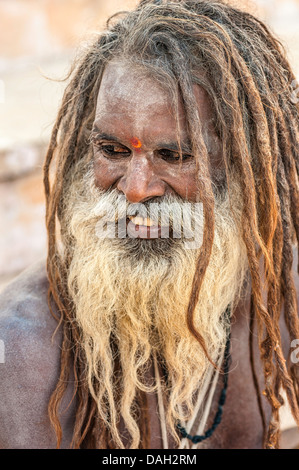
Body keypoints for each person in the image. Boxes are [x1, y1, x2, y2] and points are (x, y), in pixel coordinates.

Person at [0, 0, 299, 450]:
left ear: (244, 166)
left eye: (174, 156)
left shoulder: (277, 288)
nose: (136, 189)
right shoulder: (23, 350)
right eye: (113, 150)